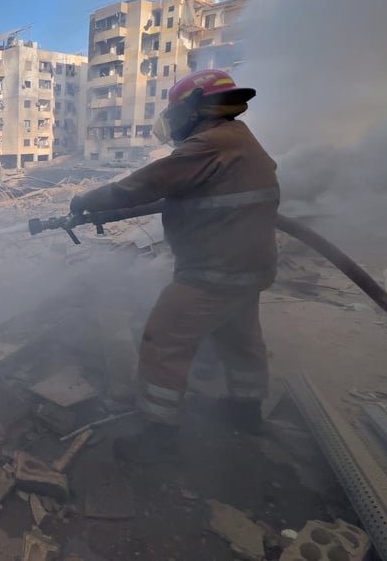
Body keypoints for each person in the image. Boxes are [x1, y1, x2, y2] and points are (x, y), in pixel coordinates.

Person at [70, 70, 280, 464]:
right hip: (248, 268)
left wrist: (88, 200)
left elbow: (150, 182)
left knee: (163, 341)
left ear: (196, 108)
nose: (174, 121)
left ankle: (158, 435)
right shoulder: (242, 141)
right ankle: (246, 411)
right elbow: (194, 196)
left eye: (177, 112)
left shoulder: (209, 144)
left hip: (212, 271)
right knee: (240, 338)